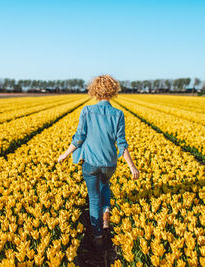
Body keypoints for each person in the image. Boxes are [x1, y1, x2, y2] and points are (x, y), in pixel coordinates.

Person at [58, 74, 139, 252]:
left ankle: (97, 235)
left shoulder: (87, 111)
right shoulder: (118, 114)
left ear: (94, 90)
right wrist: (132, 166)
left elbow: (79, 138)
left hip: (91, 164)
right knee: (105, 184)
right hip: (109, 163)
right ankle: (106, 213)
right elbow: (122, 143)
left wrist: (65, 154)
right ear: (113, 91)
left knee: (93, 198)